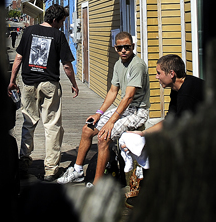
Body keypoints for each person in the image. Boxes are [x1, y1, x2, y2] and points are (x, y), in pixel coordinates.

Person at [57, 31, 149, 186]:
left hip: (138, 110)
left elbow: (129, 97)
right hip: (124, 108)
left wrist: (111, 121)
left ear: (133, 46)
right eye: (120, 48)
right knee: (87, 130)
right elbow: (113, 91)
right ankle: (78, 171)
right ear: (115, 49)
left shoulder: (137, 65)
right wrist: (99, 113)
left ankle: (97, 184)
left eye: (127, 47)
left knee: (103, 137)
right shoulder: (119, 64)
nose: (124, 51)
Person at [119, 54, 205, 206]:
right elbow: (169, 121)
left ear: (171, 74)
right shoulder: (177, 88)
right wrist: (143, 134)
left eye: (159, 73)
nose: (156, 76)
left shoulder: (187, 93)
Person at [8, 4, 80, 181]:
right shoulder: (58, 35)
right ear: (55, 20)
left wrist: (12, 81)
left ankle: (24, 163)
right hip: (49, 85)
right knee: (52, 126)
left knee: (28, 123)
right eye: (61, 22)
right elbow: (66, 65)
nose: (62, 25)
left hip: (28, 84)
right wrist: (74, 84)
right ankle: (50, 169)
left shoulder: (29, 31)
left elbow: (18, 58)